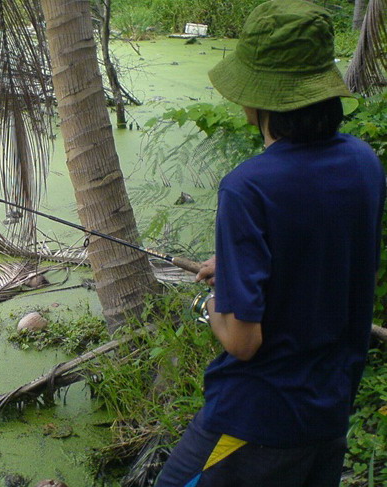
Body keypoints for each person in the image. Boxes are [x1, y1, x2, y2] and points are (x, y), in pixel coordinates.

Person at [155, 1, 385, 486]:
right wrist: (238, 265)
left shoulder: (248, 186)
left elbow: (243, 341)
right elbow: (323, 250)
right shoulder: (364, 163)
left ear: (258, 96)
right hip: (329, 410)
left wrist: (217, 302)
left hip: (257, 418)